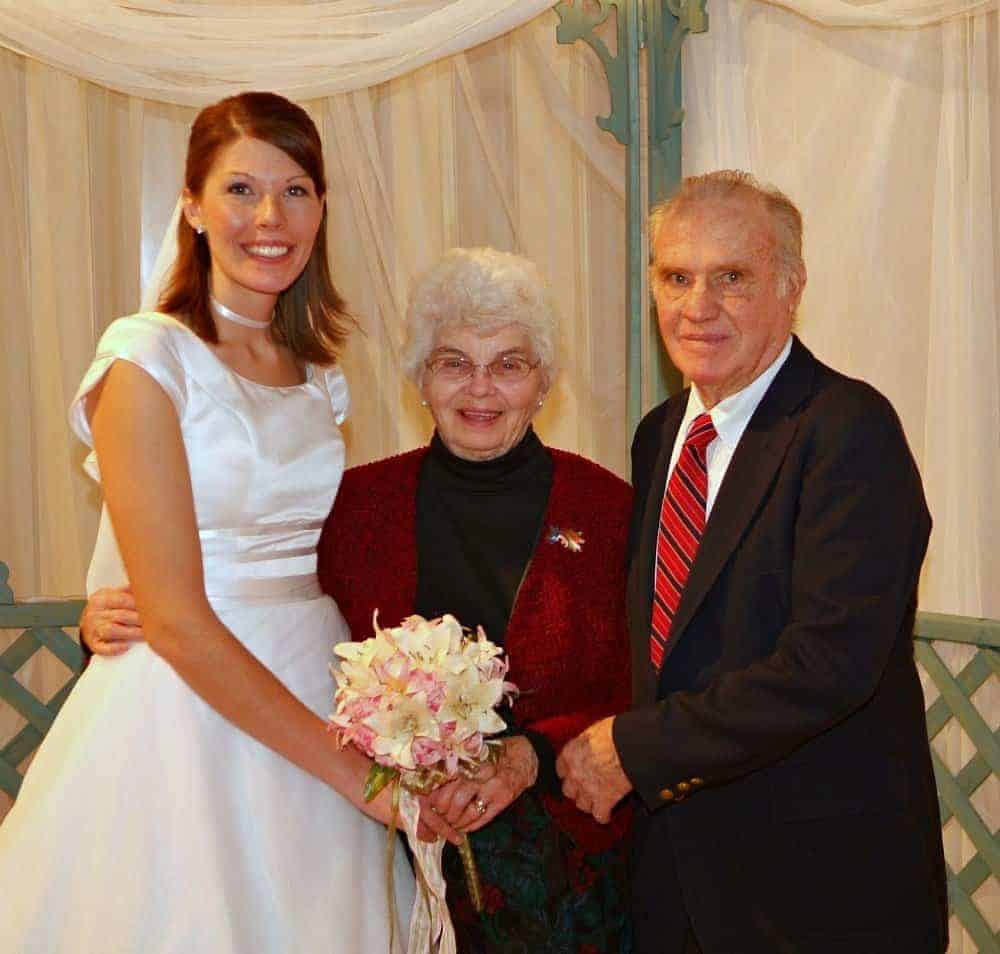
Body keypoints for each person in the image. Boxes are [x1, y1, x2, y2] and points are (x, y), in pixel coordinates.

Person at [82, 246, 635, 953]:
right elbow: (251, 592)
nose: (480, 389)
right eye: (453, 362)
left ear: (545, 382)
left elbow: (639, 681)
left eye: (509, 364)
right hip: (388, 848)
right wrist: (115, 614)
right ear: (419, 380)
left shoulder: (609, 507)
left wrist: (529, 754)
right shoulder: (355, 507)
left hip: (564, 866)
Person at [0, 91, 414, 953]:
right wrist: (357, 777)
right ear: (190, 205)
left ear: (322, 207)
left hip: (313, 675)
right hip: (184, 710)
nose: (271, 217)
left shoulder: (316, 375)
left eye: (296, 190)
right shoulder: (146, 357)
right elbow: (179, 618)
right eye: (240, 190)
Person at [556, 170, 948, 954]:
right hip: (679, 881)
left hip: (818, 890)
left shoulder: (848, 429)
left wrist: (635, 749)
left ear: (790, 286)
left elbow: (829, 663)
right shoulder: (659, 432)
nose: (697, 306)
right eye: (676, 277)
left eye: (730, 277)